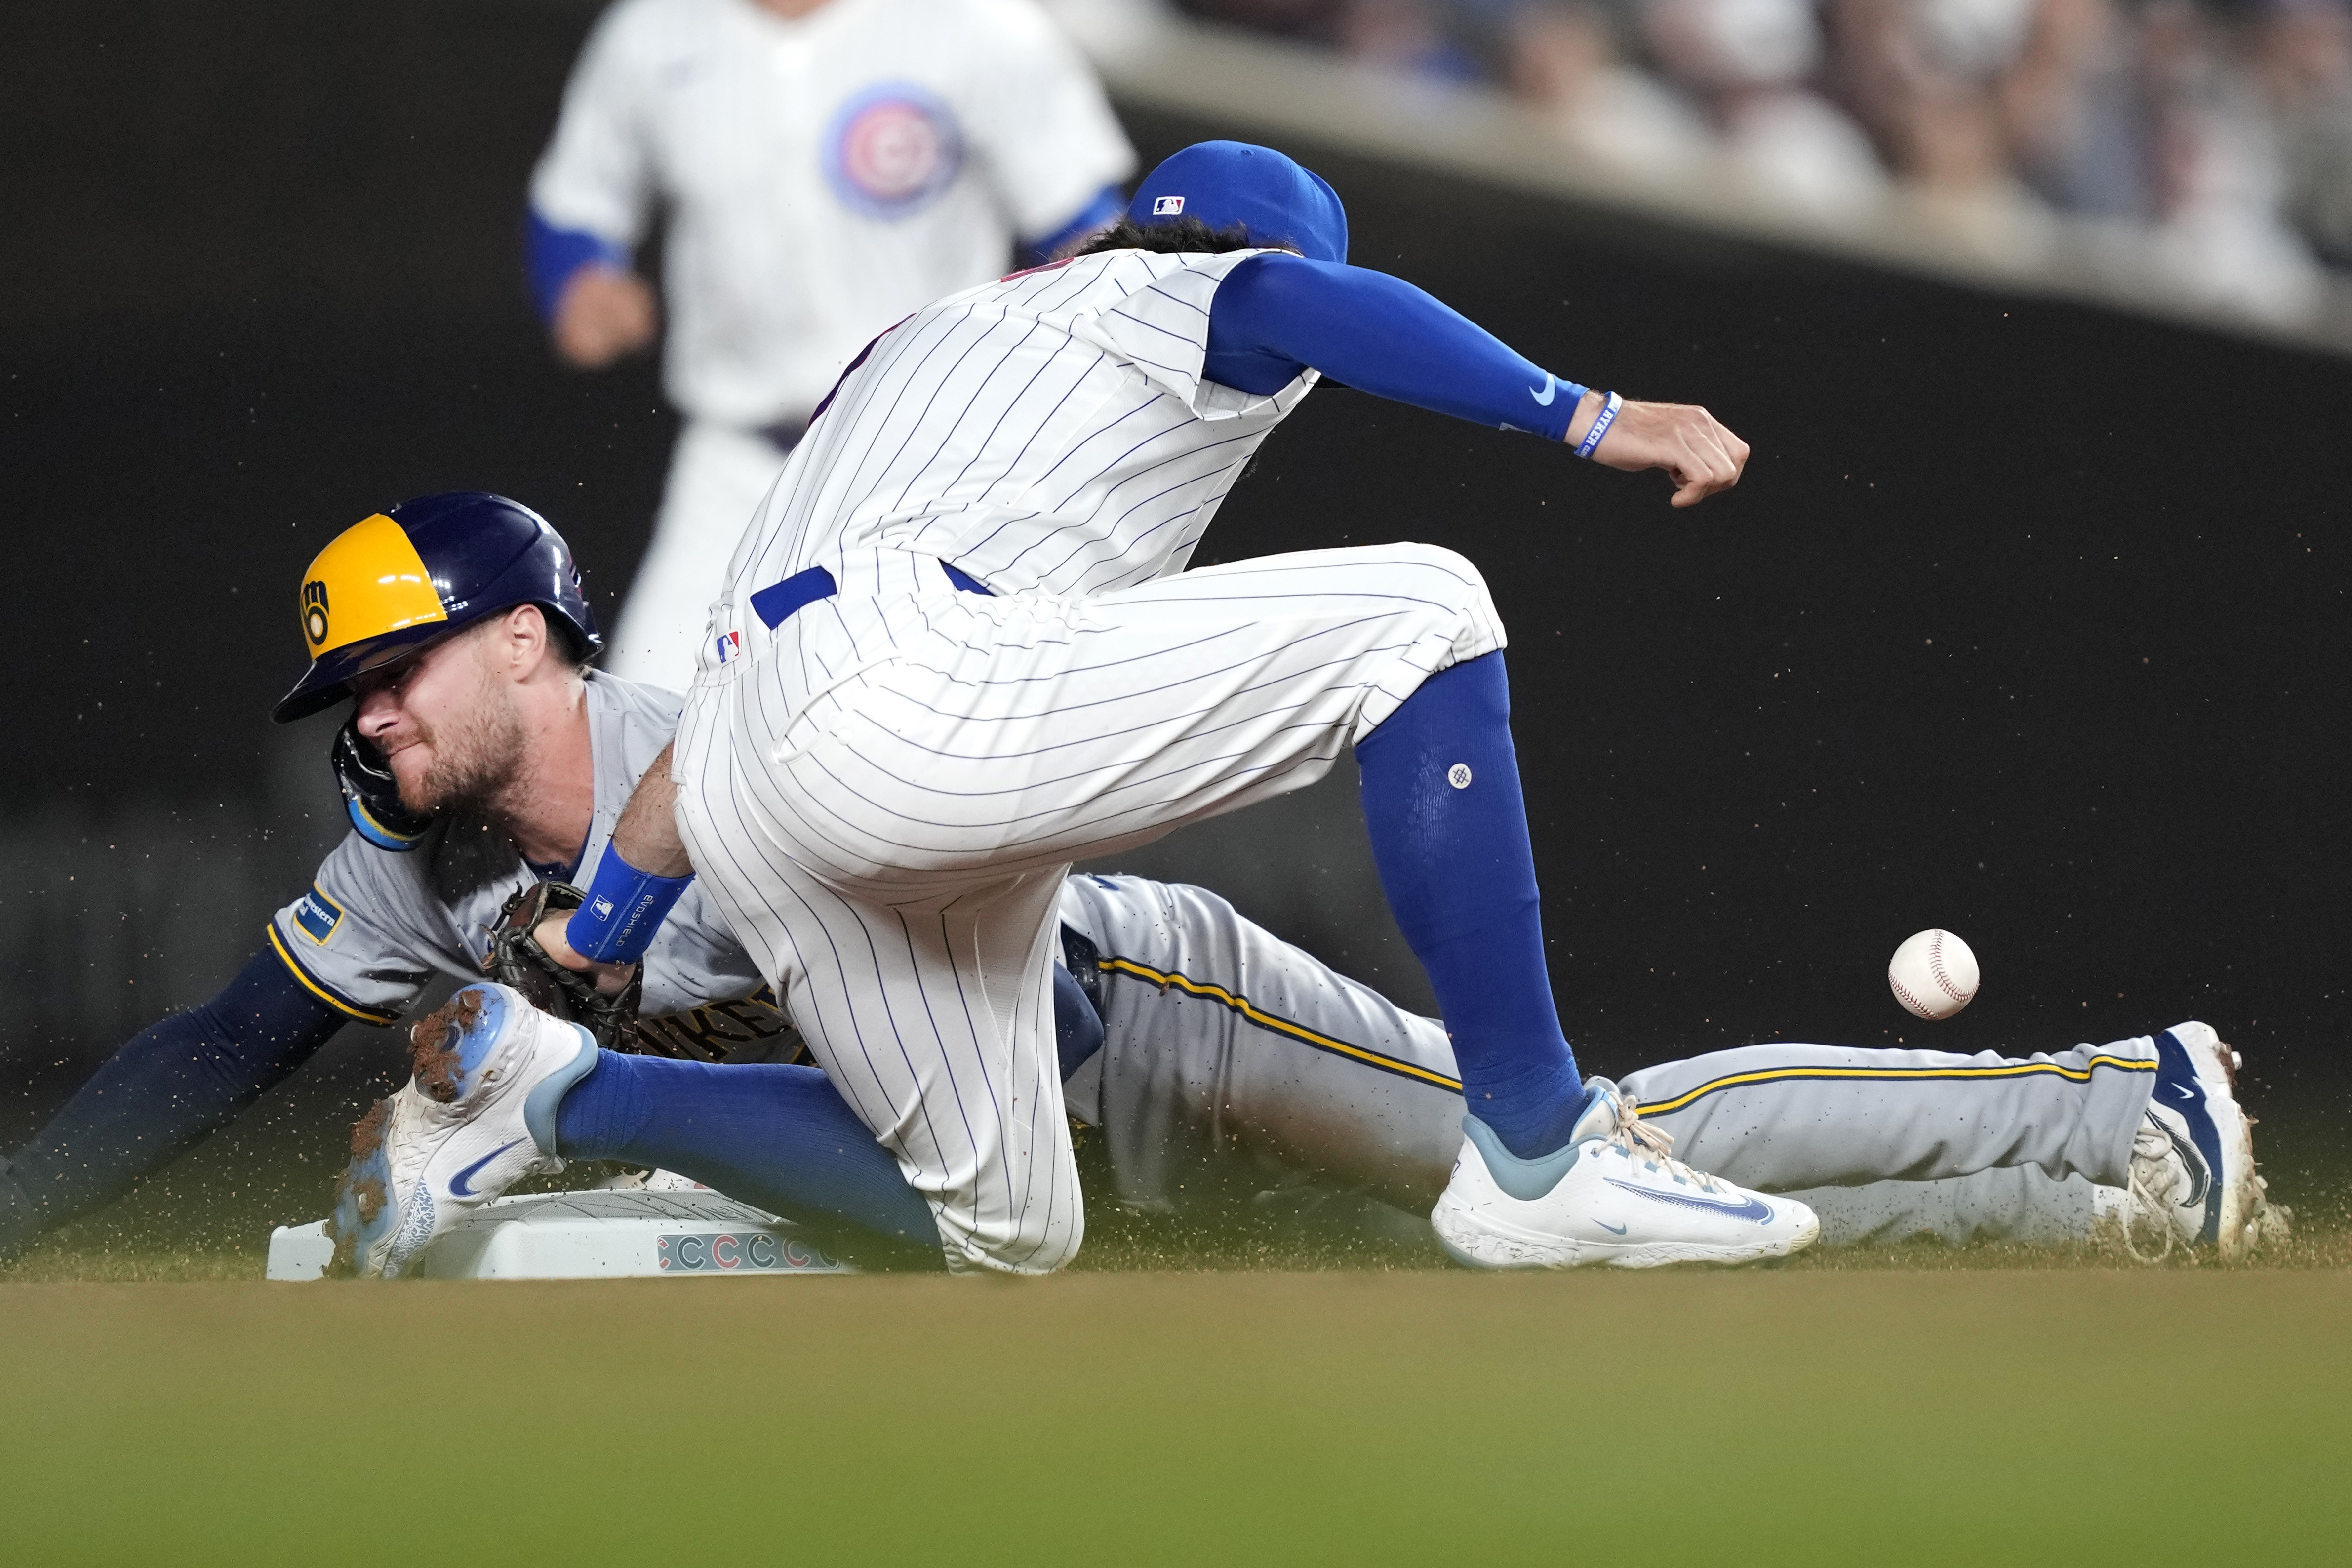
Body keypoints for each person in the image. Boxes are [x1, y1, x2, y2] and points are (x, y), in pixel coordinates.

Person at [378, 141, 2264, 1276]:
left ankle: (563, 1100)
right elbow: (1305, 307)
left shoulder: (925, 362)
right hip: (908, 705)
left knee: (1003, 1235)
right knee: (1425, 603)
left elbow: (728, 740)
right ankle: (1539, 1157)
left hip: (776, 764)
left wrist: (595, 939)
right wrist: (1595, 416)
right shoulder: (1160, 300)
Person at [0, 496, 2275, 1270]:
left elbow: (1045, 1033)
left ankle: (2113, 1094)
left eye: (393, 671)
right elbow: (227, 1034)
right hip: (1012, 1138)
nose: (368, 719)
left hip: (1141, 1014)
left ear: (523, 638)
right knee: (1556, 1278)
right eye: (347, 700)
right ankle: (2080, 1206)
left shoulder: (739, 747)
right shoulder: (413, 863)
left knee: (1583, 1152)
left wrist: (595, 1101)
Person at [528, 0, 1137, 693]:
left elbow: (1082, 222)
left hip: (936, 465)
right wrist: (579, 280)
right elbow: (576, 203)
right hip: (741, 468)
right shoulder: (656, 29)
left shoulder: (978, 23)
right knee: (649, 715)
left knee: (941, 733)